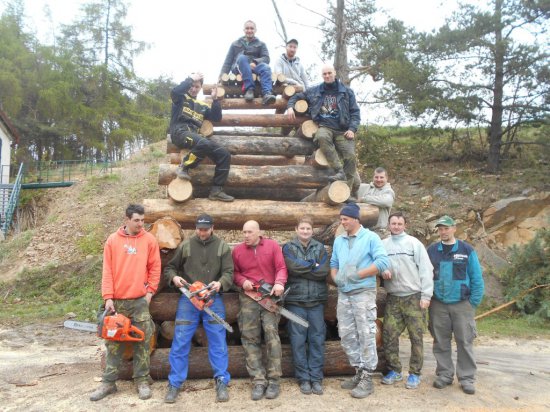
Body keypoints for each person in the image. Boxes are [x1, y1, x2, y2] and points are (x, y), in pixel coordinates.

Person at [90, 204, 161, 402]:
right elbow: (107, 271)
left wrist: (149, 293)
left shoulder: (149, 240)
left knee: (143, 341)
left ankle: (141, 381)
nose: (141, 224)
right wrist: (108, 297)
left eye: (142, 220)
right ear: (127, 220)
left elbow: (155, 268)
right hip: (117, 302)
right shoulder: (113, 241)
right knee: (113, 343)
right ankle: (109, 382)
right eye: (137, 220)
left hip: (139, 301)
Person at [163, 213, 233, 403]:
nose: (202, 232)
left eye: (205, 229)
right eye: (199, 229)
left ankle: (221, 380)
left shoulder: (221, 247)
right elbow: (170, 268)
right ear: (195, 228)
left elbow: (229, 272)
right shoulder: (186, 246)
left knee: (218, 340)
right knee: (181, 340)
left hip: (212, 297)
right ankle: (174, 383)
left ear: (212, 228)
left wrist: (220, 283)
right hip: (189, 298)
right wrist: (174, 278)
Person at [330, 202, 389, 399]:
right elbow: (334, 263)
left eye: (345, 219)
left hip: (363, 292)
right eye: (341, 219)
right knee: (346, 335)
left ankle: (367, 377)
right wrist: (335, 276)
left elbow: (382, 262)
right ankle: (358, 371)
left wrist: (360, 274)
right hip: (344, 294)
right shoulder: (339, 240)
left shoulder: (371, 238)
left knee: (366, 334)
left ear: (356, 219)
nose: (342, 222)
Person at [427, 215, 484, 395]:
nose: (443, 232)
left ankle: (466, 378)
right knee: (440, 342)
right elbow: (425, 275)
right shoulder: (432, 250)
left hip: (462, 304)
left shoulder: (467, 250)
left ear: (454, 228)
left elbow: (476, 278)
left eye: (446, 228)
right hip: (438, 304)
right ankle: (444, 375)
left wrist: (472, 302)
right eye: (440, 229)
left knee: (465, 342)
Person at [232, 220, 288, 401]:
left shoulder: (272, 246)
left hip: (270, 296)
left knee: (272, 335)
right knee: (250, 337)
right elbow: (234, 272)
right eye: (244, 232)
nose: (246, 235)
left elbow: (281, 268)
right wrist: (242, 281)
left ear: (258, 232)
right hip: (248, 297)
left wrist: (279, 283)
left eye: (249, 232)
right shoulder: (238, 251)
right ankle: (258, 380)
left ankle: (274, 380)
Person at [286, 64, 361, 191]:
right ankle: (339, 170)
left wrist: (352, 129)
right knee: (320, 135)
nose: (327, 76)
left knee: (350, 157)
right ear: (322, 75)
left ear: (334, 73)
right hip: (325, 127)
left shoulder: (347, 92)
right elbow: (297, 96)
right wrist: (289, 106)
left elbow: (355, 112)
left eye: (329, 73)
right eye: (324, 74)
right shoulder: (315, 91)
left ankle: (347, 191)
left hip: (343, 130)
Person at [380, 212, 433, 389]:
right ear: (388, 225)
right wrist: (382, 271)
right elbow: (378, 264)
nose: (396, 226)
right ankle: (395, 370)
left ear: (405, 225)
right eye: (393, 223)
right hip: (393, 297)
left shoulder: (413, 244)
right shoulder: (383, 245)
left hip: (413, 297)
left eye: (399, 223)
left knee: (416, 337)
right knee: (388, 335)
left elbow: (426, 269)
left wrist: (426, 295)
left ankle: (414, 374)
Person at [282, 215, 330, 395]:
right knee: (298, 340)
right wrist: (313, 265)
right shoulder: (288, 247)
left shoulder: (320, 248)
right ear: (296, 229)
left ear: (312, 230)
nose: (305, 231)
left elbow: (323, 271)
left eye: (308, 229)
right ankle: (303, 378)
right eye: (302, 228)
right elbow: (292, 267)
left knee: (317, 339)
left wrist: (306, 268)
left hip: (316, 302)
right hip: (295, 302)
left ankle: (316, 378)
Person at [169, 72, 234, 202]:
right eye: (191, 86)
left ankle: (217, 190)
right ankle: (184, 167)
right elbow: (175, 92)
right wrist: (190, 79)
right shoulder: (180, 99)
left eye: (197, 86)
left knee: (224, 154)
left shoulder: (202, 106)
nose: (193, 89)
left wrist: (215, 100)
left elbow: (216, 117)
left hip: (196, 137)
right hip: (179, 133)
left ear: (200, 88)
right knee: (204, 143)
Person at [220, 20, 276, 105]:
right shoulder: (235, 44)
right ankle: (249, 89)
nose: (249, 30)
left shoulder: (261, 44)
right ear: (244, 30)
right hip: (239, 67)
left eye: (251, 28)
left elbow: (266, 58)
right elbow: (227, 62)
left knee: (266, 67)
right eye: (247, 28)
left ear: (255, 30)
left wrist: (255, 62)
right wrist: (221, 77)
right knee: (242, 58)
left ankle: (267, 93)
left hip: (254, 67)